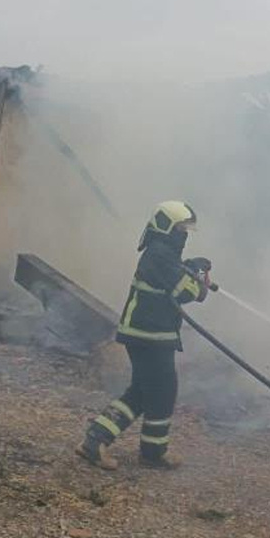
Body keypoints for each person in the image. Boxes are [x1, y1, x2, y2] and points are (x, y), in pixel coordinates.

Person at [75, 201, 212, 471]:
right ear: (167, 227)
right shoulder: (159, 254)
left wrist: (191, 270)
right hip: (148, 336)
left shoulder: (163, 254)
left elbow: (180, 284)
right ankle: (149, 452)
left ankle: (99, 442)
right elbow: (184, 292)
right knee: (161, 391)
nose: (184, 235)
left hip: (150, 335)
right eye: (181, 229)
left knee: (142, 392)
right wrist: (195, 272)